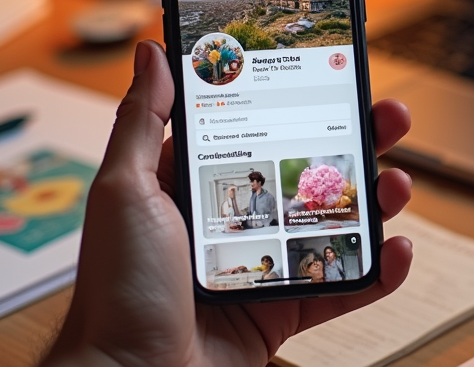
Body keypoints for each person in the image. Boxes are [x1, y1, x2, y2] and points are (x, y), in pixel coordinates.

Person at [40, 40, 412, 367]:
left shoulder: (267, 198)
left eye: (250, 182)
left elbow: (265, 221)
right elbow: (247, 221)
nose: (248, 186)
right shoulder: (249, 199)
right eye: (247, 183)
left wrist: (112, 357)